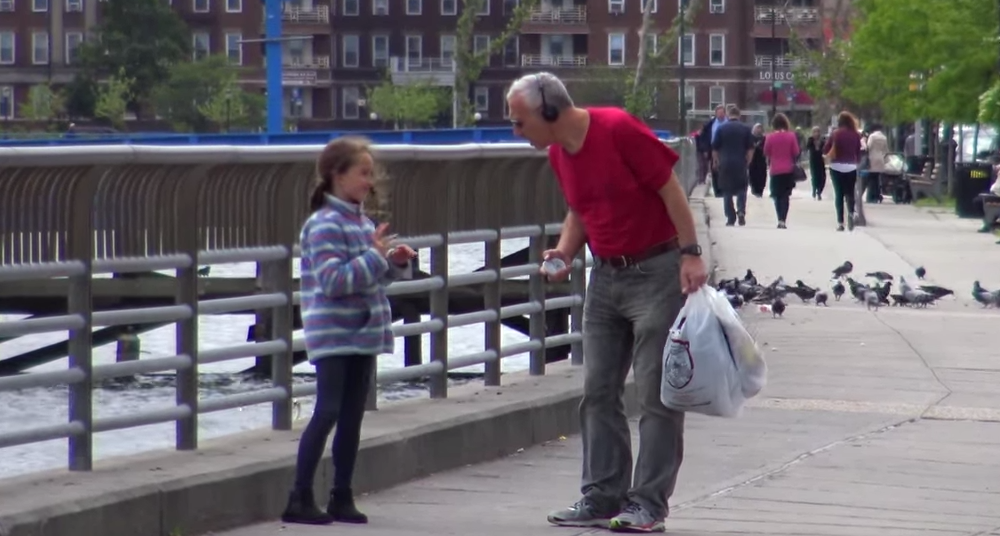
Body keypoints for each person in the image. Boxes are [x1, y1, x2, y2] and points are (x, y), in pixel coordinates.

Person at [505, 71, 708, 533]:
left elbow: (670, 189)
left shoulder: (616, 128)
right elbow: (582, 208)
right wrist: (564, 251)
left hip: (656, 271)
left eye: (520, 122)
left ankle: (648, 504)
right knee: (598, 391)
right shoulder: (559, 153)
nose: (516, 132)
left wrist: (691, 254)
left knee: (657, 394)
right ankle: (602, 495)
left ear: (549, 112)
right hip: (606, 277)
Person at [280, 137, 417, 526]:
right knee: (328, 410)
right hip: (334, 332)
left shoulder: (363, 223)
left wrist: (393, 263)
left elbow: (371, 280)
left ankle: (342, 494)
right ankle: (300, 495)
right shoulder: (323, 225)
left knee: (353, 416)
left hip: (363, 332)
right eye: (363, 173)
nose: (369, 182)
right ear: (337, 176)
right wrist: (376, 257)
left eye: (371, 175)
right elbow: (334, 282)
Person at [711, 106, 754, 226]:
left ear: (728, 115)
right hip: (740, 162)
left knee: (727, 190)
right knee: (741, 188)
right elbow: (750, 148)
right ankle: (741, 211)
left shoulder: (721, 128)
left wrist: (715, 161)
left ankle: (730, 217)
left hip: (725, 162)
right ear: (739, 115)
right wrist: (748, 161)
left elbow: (715, 148)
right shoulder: (745, 129)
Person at [823, 112, 863, 231]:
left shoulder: (835, 134)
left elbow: (826, 148)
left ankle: (840, 222)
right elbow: (858, 151)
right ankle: (851, 213)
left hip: (836, 166)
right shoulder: (856, 135)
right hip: (851, 166)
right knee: (850, 192)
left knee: (839, 194)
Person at [762, 113, 801, 229]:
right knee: (785, 195)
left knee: (776, 195)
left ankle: (779, 218)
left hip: (775, 169)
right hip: (788, 169)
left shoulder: (770, 137)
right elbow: (796, 152)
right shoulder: (791, 136)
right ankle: (783, 218)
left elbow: (766, 152)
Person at [698, 105, 727, 196]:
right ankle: (717, 190)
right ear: (716, 113)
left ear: (725, 113)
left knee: (724, 169)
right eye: (718, 113)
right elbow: (703, 137)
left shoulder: (729, 123)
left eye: (722, 113)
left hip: (725, 149)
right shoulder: (710, 124)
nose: (720, 115)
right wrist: (705, 149)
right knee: (715, 169)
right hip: (713, 148)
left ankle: (724, 188)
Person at [864, 123, 889, 203]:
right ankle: (877, 195)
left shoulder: (872, 137)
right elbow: (886, 150)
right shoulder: (884, 138)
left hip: (872, 158)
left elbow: (868, 146)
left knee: (871, 178)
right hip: (880, 159)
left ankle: (871, 196)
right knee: (877, 178)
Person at [805, 126, 827, 200]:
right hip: (813, 160)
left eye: (818, 131)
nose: (816, 133)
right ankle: (815, 190)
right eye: (815, 132)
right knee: (815, 176)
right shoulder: (810, 140)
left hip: (820, 160)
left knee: (822, 177)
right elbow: (807, 147)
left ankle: (819, 190)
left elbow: (826, 147)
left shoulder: (822, 139)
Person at [748, 123, 768, 198]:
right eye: (757, 128)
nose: (758, 130)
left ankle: (760, 189)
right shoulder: (751, 138)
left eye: (760, 128)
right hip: (753, 159)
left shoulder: (764, 138)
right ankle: (754, 188)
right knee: (752, 174)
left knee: (762, 174)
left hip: (761, 159)